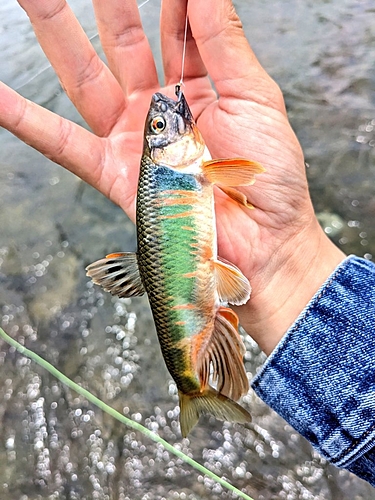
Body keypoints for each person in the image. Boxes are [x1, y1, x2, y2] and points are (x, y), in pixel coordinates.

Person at [0, 0, 374, 487]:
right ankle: (192, 390)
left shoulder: (188, 166)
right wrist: (290, 264)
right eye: (160, 127)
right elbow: (234, 176)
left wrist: (288, 258)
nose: (165, 119)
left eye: (158, 126)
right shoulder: (194, 167)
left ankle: (191, 389)